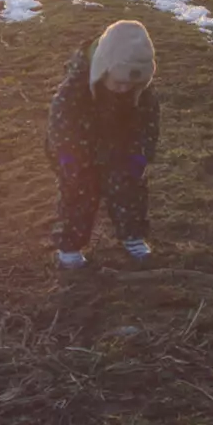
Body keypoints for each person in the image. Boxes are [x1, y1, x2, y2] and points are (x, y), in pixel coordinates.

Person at [45, 20, 161, 270]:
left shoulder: (142, 92)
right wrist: (66, 156)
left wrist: (141, 155)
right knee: (79, 194)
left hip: (120, 146)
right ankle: (70, 247)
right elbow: (60, 123)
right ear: (102, 68)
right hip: (77, 147)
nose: (123, 89)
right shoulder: (76, 85)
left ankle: (132, 235)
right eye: (118, 82)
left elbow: (149, 125)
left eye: (129, 85)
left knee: (129, 189)